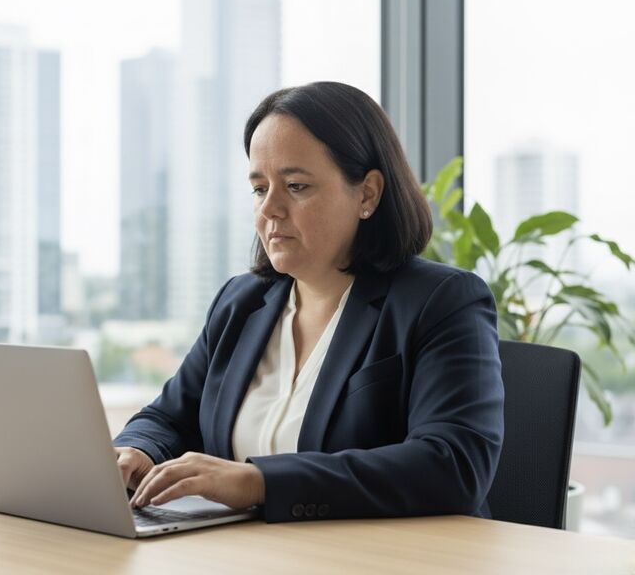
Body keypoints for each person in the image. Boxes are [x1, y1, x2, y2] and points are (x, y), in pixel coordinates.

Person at [113, 81, 504, 523]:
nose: (269, 209)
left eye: (296, 186)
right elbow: (169, 418)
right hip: (248, 552)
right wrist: (136, 449)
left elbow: (453, 465)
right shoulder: (241, 302)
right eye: (260, 189)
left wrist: (260, 482)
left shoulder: (441, 301)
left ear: (367, 194)